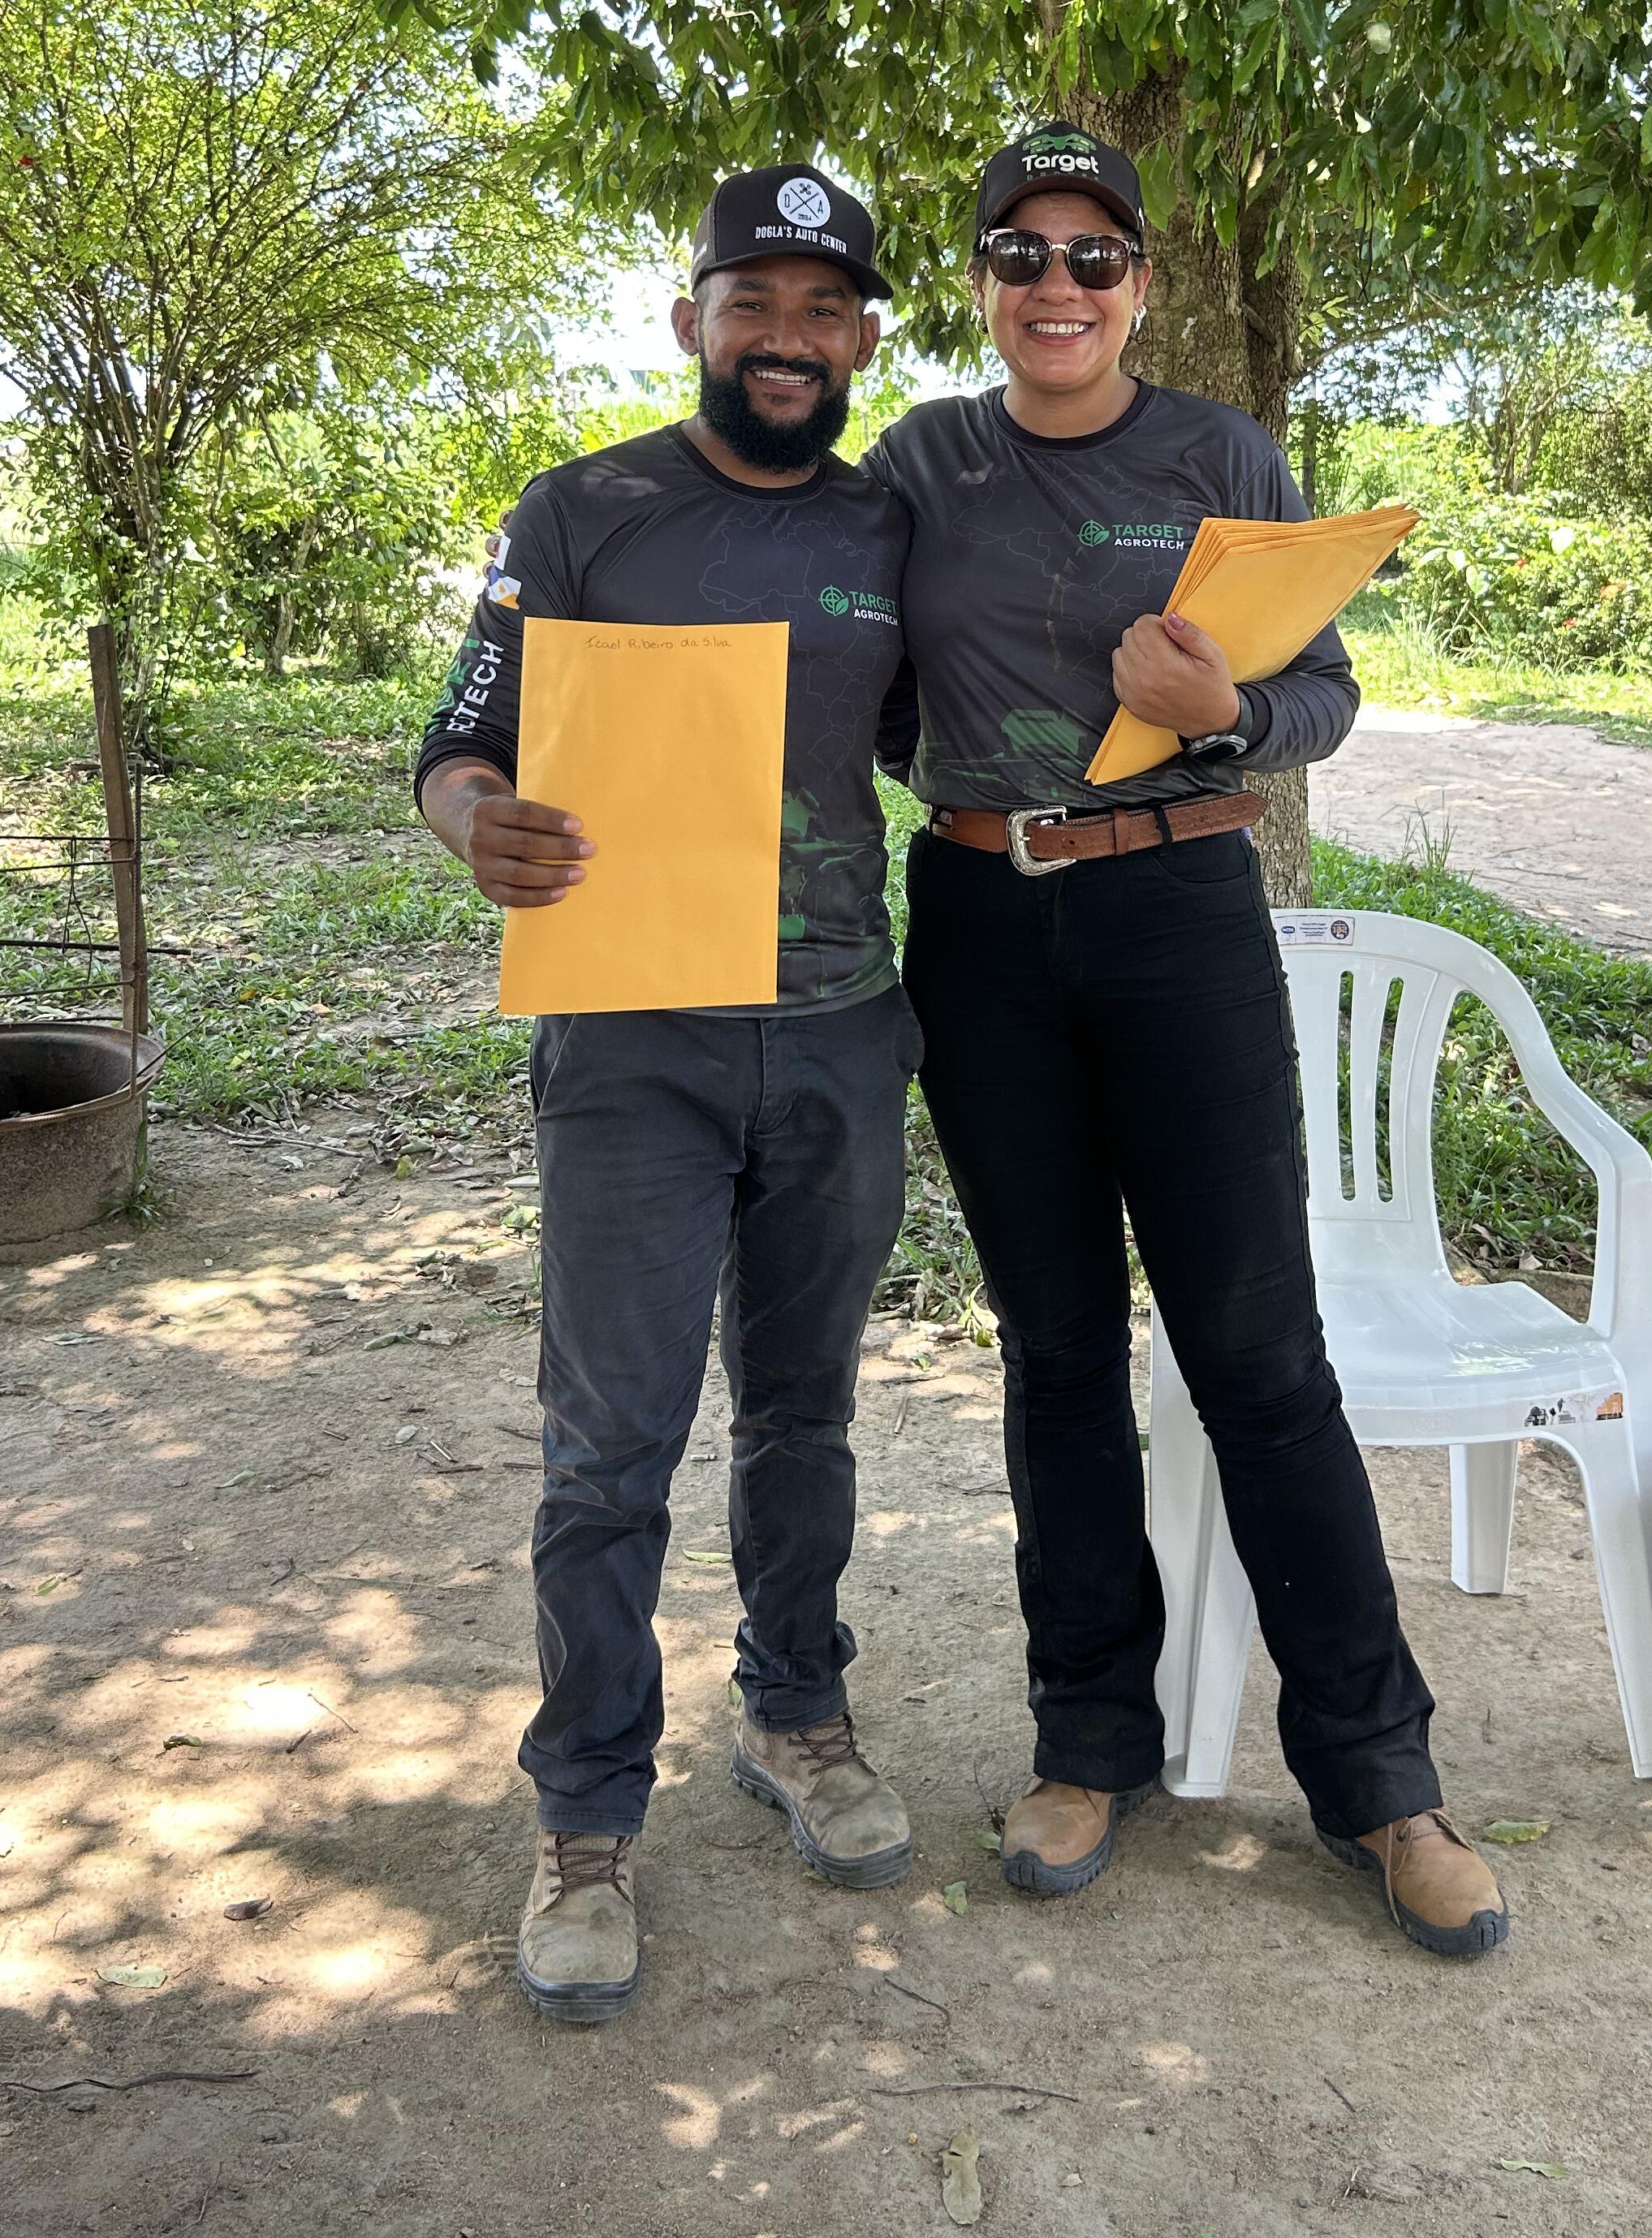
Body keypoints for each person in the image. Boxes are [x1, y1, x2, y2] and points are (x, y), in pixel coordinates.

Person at [865, 123, 1508, 1961]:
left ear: (1139, 285)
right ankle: (1088, 1746)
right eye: (1020, 251)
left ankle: (1383, 1785)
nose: (1054, 285)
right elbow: (864, 690)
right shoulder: (921, 464)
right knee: (1057, 1350)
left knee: (1257, 1348)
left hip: (1181, 917)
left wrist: (1225, 711)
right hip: (983, 925)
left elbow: (1326, 689)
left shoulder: (1219, 455)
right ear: (981, 282)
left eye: (1092, 256)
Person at [416, 164, 921, 2025]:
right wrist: (483, 826)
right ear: (691, 317)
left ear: (865, 336)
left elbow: (921, 740)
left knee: (805, 1410)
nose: (786, 338)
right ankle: (585, 1816)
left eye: (823, 308)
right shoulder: (584, 514)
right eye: (752, 301)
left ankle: (795, 1713)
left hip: (844, 1027)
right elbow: (455, 747)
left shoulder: (895, 522)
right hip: (630, 1036)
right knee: (607, 1443)